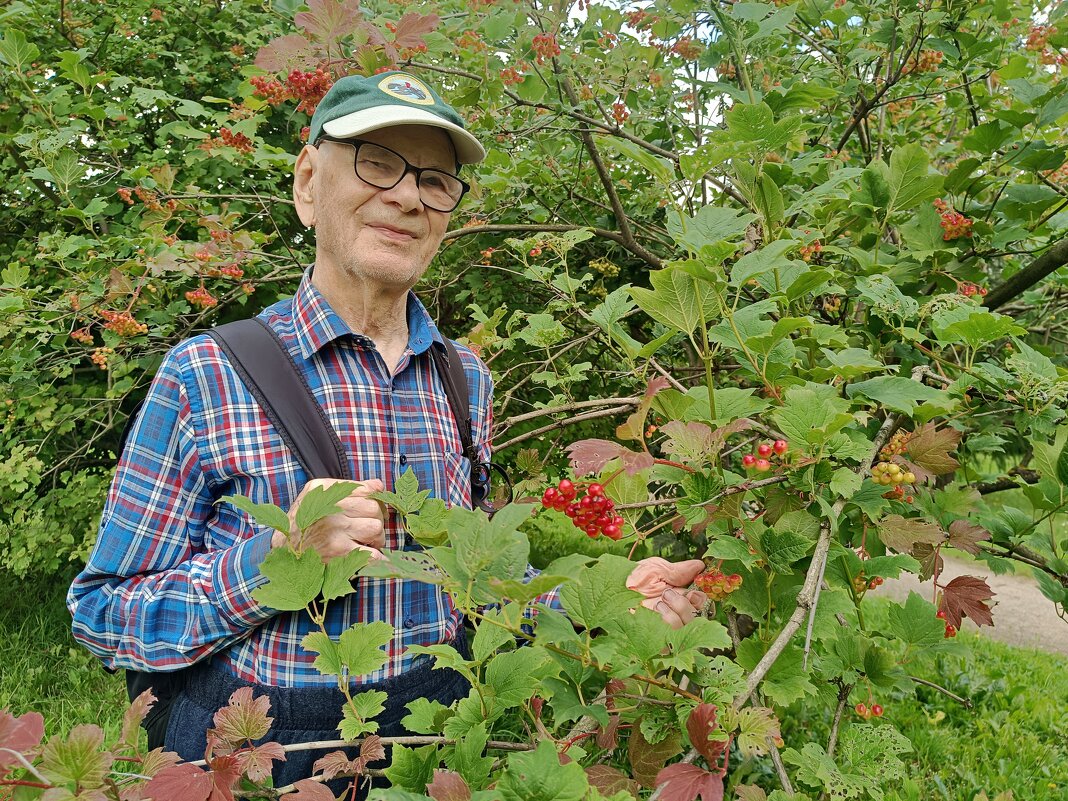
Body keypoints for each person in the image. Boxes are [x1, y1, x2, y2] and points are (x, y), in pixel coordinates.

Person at [67, 71, 706, 787]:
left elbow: (475, 583)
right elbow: (102, 614)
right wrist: (270, 562)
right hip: (261, 760)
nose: (407, 195)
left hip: (434, 747)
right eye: (376, 161)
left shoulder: (465, 381)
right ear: (308, 183)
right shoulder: (207, 373)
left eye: (435, 179)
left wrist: (615, 599)